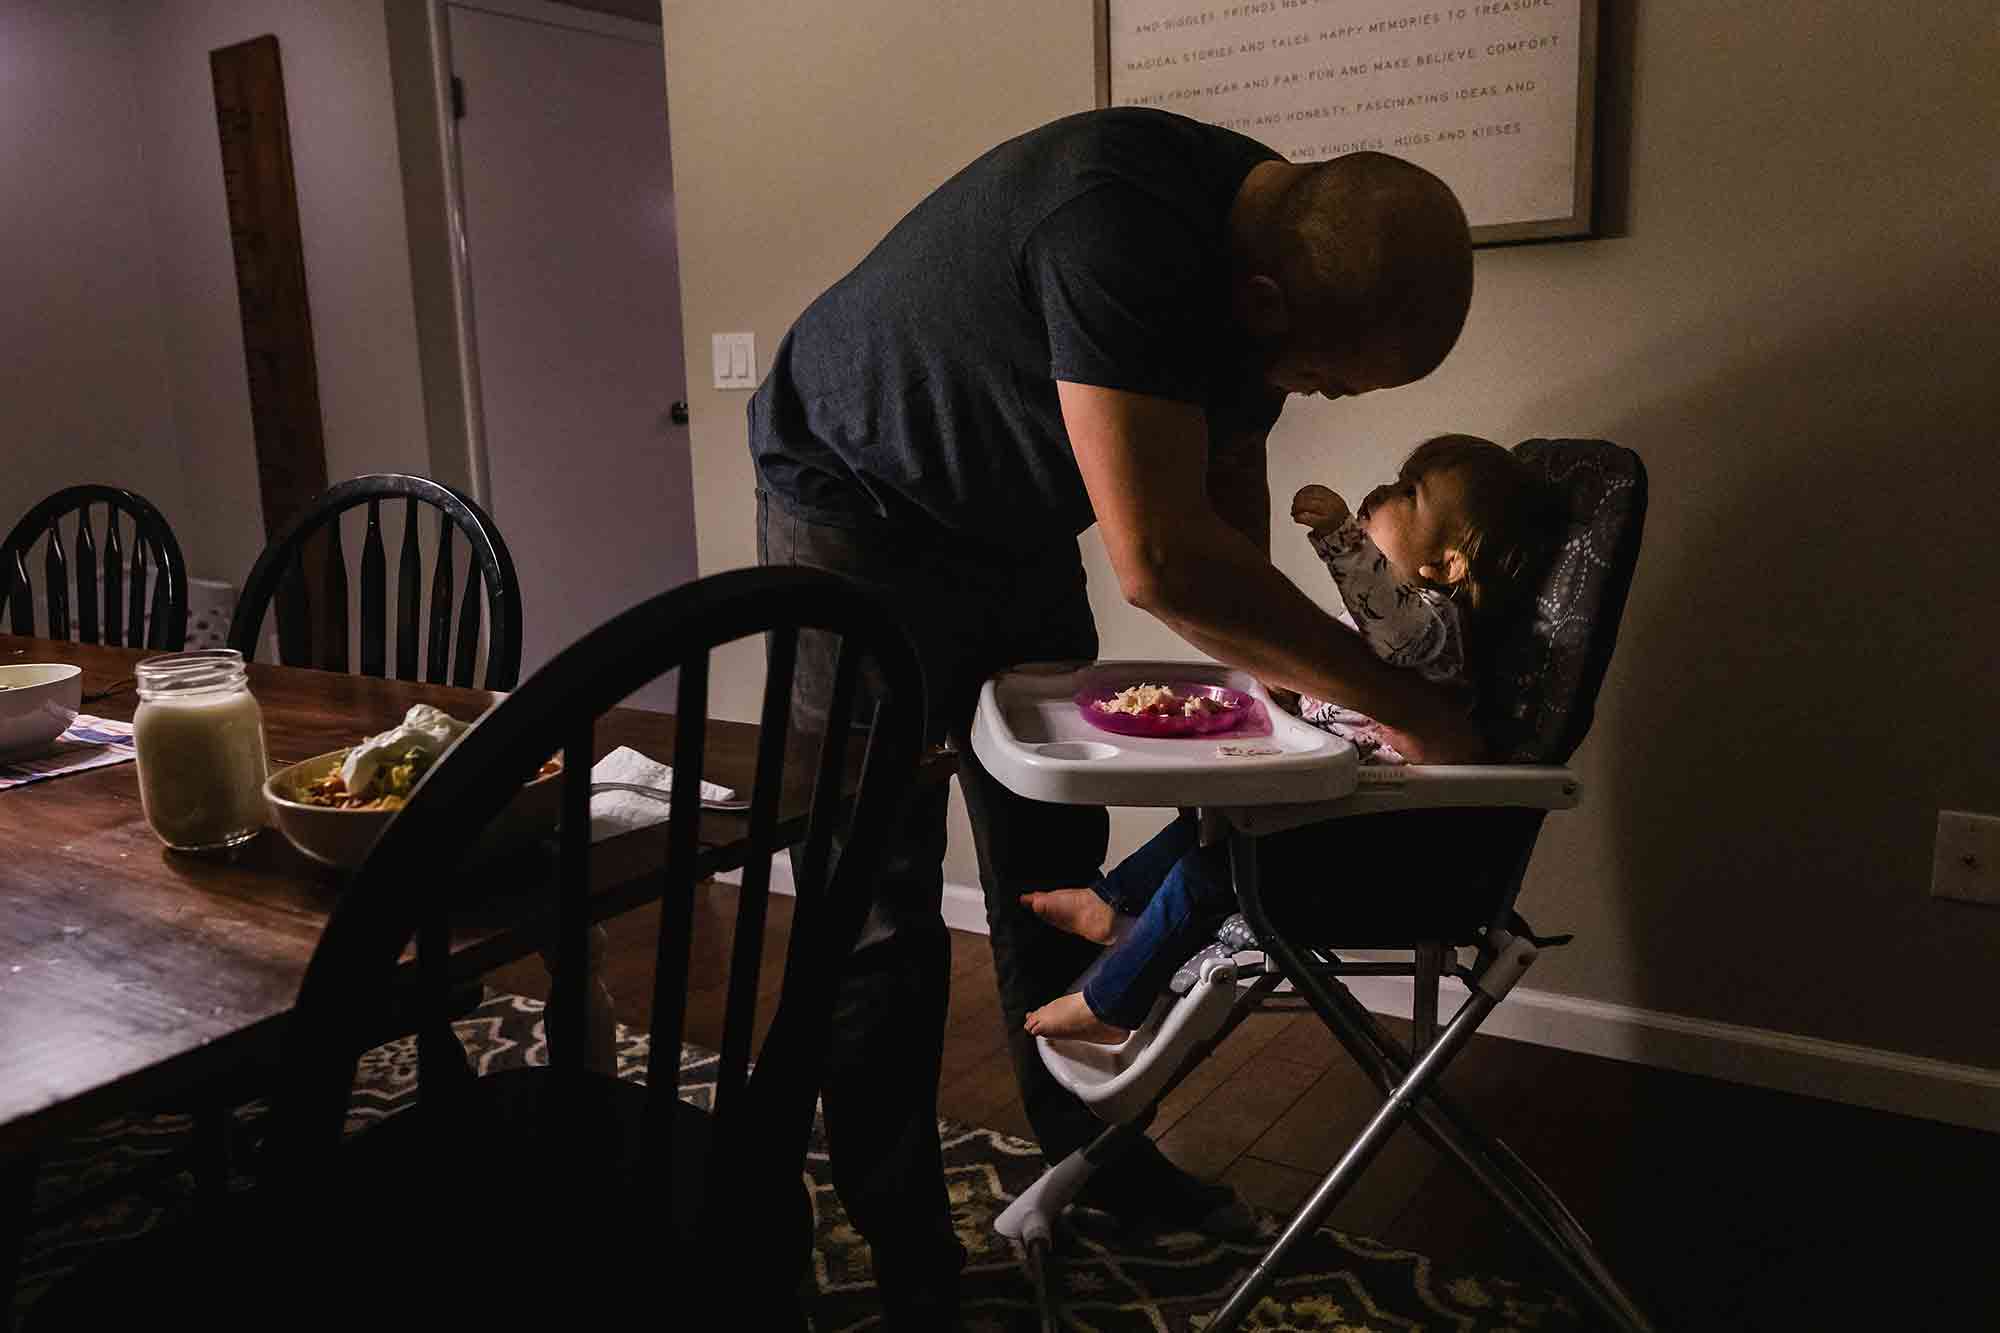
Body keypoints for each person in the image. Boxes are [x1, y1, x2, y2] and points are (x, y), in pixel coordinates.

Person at [750, 106, 1478, 1327]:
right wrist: (1404, 702)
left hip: (1005, 515)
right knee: (875, 898)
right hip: (852, 500)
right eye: (1324, 379)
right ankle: (905, 1242)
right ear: (1260, 304)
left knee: (1051, 850)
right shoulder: (1116, 232)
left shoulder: (1264, 254)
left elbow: (1227, 516)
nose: (1318, 397)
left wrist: (1281, 695)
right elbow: (1160, 562)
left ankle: (1093, 1154)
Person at [1021, 435, 1565, 1043]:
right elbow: (1342, 695)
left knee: (1206, 876)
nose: (1384, 493)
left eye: (1409, 493)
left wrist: (1341, 537)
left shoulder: (1435, 627)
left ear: (1447, 566)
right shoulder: (1404, 637)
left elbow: (1392, 624)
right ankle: (1108, 901)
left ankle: (1111, 1002)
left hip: (1371, 838)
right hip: (1329, 812)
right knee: (1202, 825)